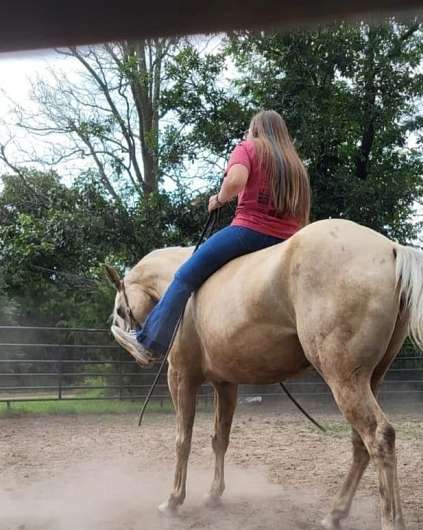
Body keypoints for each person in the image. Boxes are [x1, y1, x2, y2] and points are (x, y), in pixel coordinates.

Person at [112, 109, 311, 366]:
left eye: (249, 130)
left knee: (185, 275)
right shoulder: (294, 164)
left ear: (256, 130)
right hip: (288, 240)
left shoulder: (248, 148)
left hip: (249, 232)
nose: (247, 134)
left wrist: (218, 199)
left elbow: (237, 180)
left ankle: (148, 340)